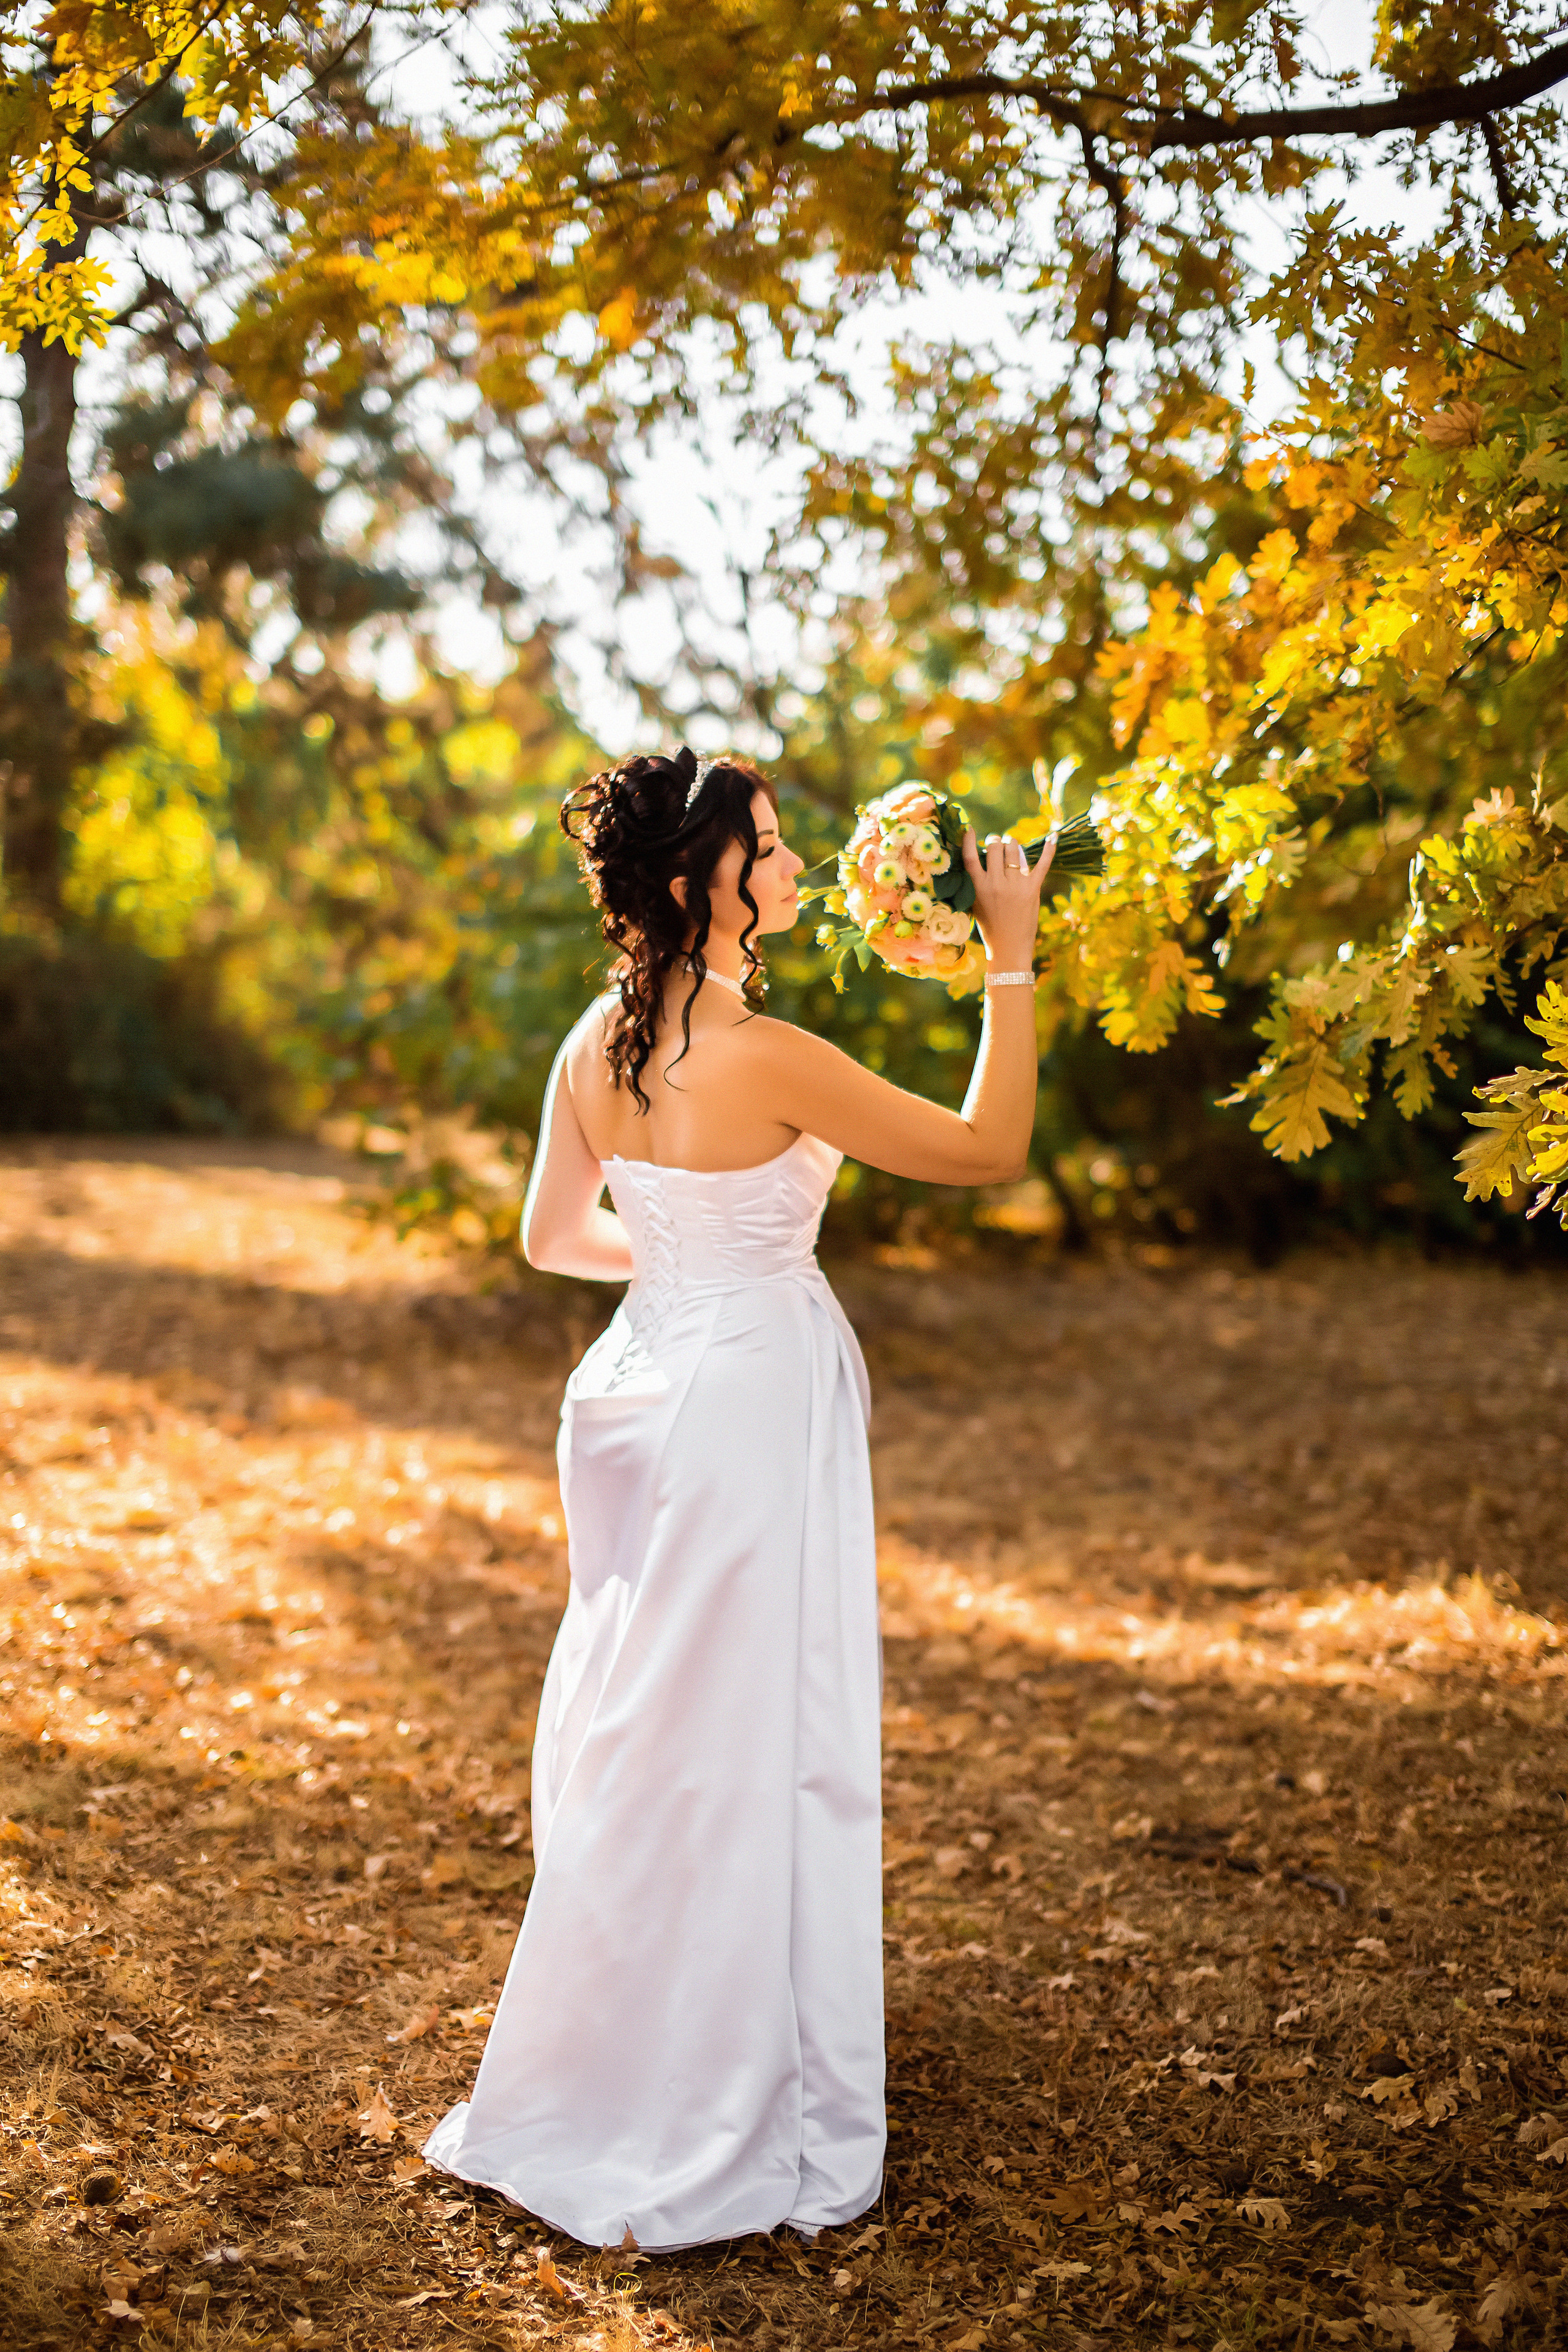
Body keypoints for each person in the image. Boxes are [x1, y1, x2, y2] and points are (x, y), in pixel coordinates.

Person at [421, 745, 1055, 2252]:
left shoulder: (596, 1041)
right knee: (743, 1727)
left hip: (639, 1391)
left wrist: (689, 1276)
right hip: (748, 1398)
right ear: (694, 881)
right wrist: (1011, 965)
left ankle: (619, 2040)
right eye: (764, 848)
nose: (786, 867)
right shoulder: (765, 1054)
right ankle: (705, 2072)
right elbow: (988, 1152)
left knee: (646, 1719)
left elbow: (551, 1242)